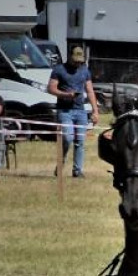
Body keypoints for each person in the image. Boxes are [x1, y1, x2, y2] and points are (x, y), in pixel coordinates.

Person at [48, 45, 99, 178]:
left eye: (80, 60)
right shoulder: (59, 70)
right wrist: (66, 95)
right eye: (75, 59)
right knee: (67, 137)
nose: (78, 63)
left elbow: (90, 91)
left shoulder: (85, 71)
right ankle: (61, 163)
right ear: (69, 56)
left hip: (80, 111)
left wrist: (95, 111)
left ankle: (77, 171)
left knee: (80, 141)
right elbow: (51, 88)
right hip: (64, 111)